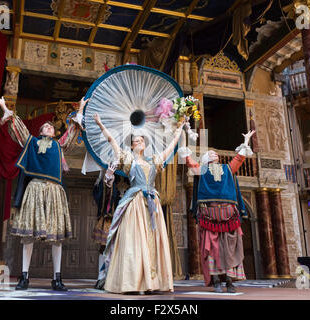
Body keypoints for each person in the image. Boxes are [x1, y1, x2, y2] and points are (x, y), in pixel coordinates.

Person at [0, 94, 88, 291]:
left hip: (54, 192)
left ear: (54, 132)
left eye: (51, 127)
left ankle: (57, 278)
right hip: (34, 190)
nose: (49, 127)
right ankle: (24, 277)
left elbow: (71, 131)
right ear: (41, 131)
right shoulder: (32, 143)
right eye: (45, 126)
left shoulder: (59, 147)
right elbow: (20, 131)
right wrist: (4, 107)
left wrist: (82, 109)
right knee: (28, 235)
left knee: (57, 236)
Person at [93, 113, 185, 294]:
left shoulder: (154, 160)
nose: (139, 141)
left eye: (142, 140)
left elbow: (172, 147)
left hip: (152, 201)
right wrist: (101, 124)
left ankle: (152, 282)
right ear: (132, 145)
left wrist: (179, 130)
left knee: (153, 239)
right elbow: (111, 140)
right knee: (135, 240)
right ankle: (134, 282)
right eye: (136, 140)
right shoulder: (128, 159)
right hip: (135, 201)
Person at [183, 130, 255, 293]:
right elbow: (188, 160)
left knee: (230, 249)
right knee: (212, 249)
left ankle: (229, 282)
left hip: (230, 217)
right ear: (205, 159)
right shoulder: (201, 170)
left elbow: (239, 158)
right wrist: (183, 138)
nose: (214, 153)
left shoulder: (227, 169)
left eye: (215, 152)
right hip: (209, 216)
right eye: (210, 153)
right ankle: (216, 281)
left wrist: (247, 140)